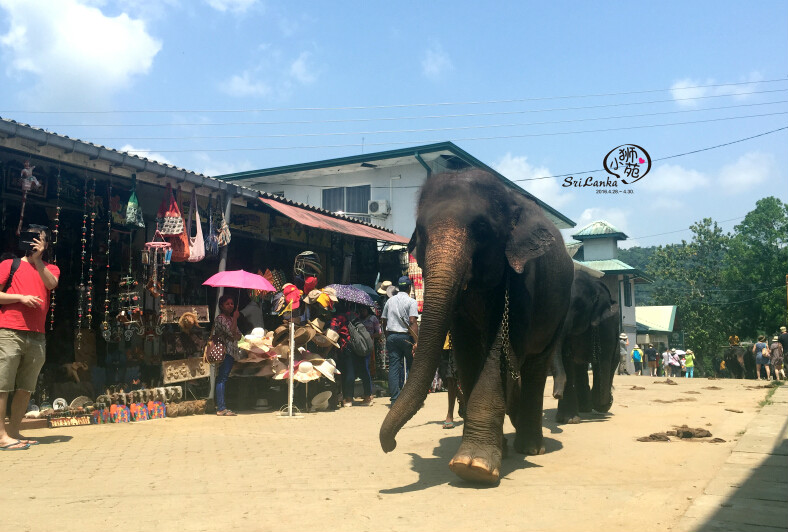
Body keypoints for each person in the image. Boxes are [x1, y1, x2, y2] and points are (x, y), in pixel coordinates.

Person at [0, 225, 59, 450]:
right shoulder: (9, 264)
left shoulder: (51, 268)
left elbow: (51, 284)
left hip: (37, 335)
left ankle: (13, 431)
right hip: (9, 331)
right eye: (32, 239)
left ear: (46, 244)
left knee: (26, 387)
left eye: (41, 240)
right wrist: (20, 298)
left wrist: (38, 260)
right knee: (2, 384)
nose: (35, 243)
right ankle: (1, 435)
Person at [381, 276, 419, 405]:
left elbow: (383, 320)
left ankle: (394, 399)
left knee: (394, 367)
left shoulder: (390, 301)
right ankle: (410, 398)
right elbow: (413, 321)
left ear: (398, 287)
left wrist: (387, 336)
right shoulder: (411, 301)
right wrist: (416, 341)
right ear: (409, 287)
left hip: (392, 336)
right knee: (410, 365)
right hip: (406, 337)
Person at [213, 294, 241, 415]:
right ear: (221, 306)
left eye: (232, 304)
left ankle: (222, 406)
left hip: (232, 352)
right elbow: (231, 332)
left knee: (224, 378)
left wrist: (233, 326)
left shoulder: (229, 319)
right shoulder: (220, 319)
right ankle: (221, 408)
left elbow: (238, 335)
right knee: (222, 378)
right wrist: (235, 318)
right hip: (225, 352)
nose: (230, 306)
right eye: (227, 304)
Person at [439, 332, 465, 429]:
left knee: (451, 378)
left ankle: (450, 415)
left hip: (455, 344)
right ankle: (462, 400)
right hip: (442, 346)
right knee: (445, 378)